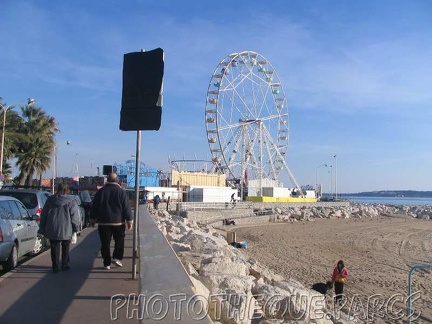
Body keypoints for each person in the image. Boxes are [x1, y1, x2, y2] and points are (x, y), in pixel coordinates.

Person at [90, 172, 133, 270]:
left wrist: (92, 219)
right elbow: (126, 207)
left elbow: (94, 206)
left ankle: (106, 263)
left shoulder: (101, 192)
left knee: (105, 243)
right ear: (117, 180)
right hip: (118, 222)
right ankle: (117, 258)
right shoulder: (121, 192)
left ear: (107, 180)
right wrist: (129, 220)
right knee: (119, 240)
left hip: (103, 222)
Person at [38, 183, 80, 273]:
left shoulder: (50, 200)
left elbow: (44, 214)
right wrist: (76, 228)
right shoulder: (71, 201)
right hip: (66, 227)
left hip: (52, 227)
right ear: (67, 190)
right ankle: (64, 264)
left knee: (54, 246)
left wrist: (42, 226)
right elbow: (74, 216)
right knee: (65, 246)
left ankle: (55, 265)